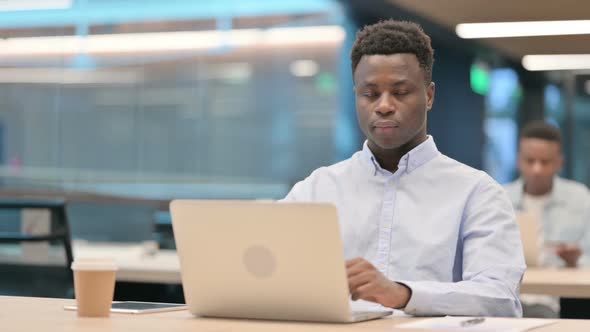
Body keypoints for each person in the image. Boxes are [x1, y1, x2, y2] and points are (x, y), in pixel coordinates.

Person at [281, 19, 525, 317]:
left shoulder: (477, 191)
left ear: (430, 96)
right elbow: (270, 273)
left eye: (400, 92)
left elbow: (501, 298)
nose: (383, 105)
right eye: (370, 93)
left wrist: (403, 294)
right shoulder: (317, 188)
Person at [504, 121, 590, 318]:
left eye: (545, 162)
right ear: (519, 160)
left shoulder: (580, 199)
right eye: (530, 160)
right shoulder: (500, 197)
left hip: (560, 301)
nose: (537, 169)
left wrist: (575, 262)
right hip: (510, 298)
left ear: (560, 162)